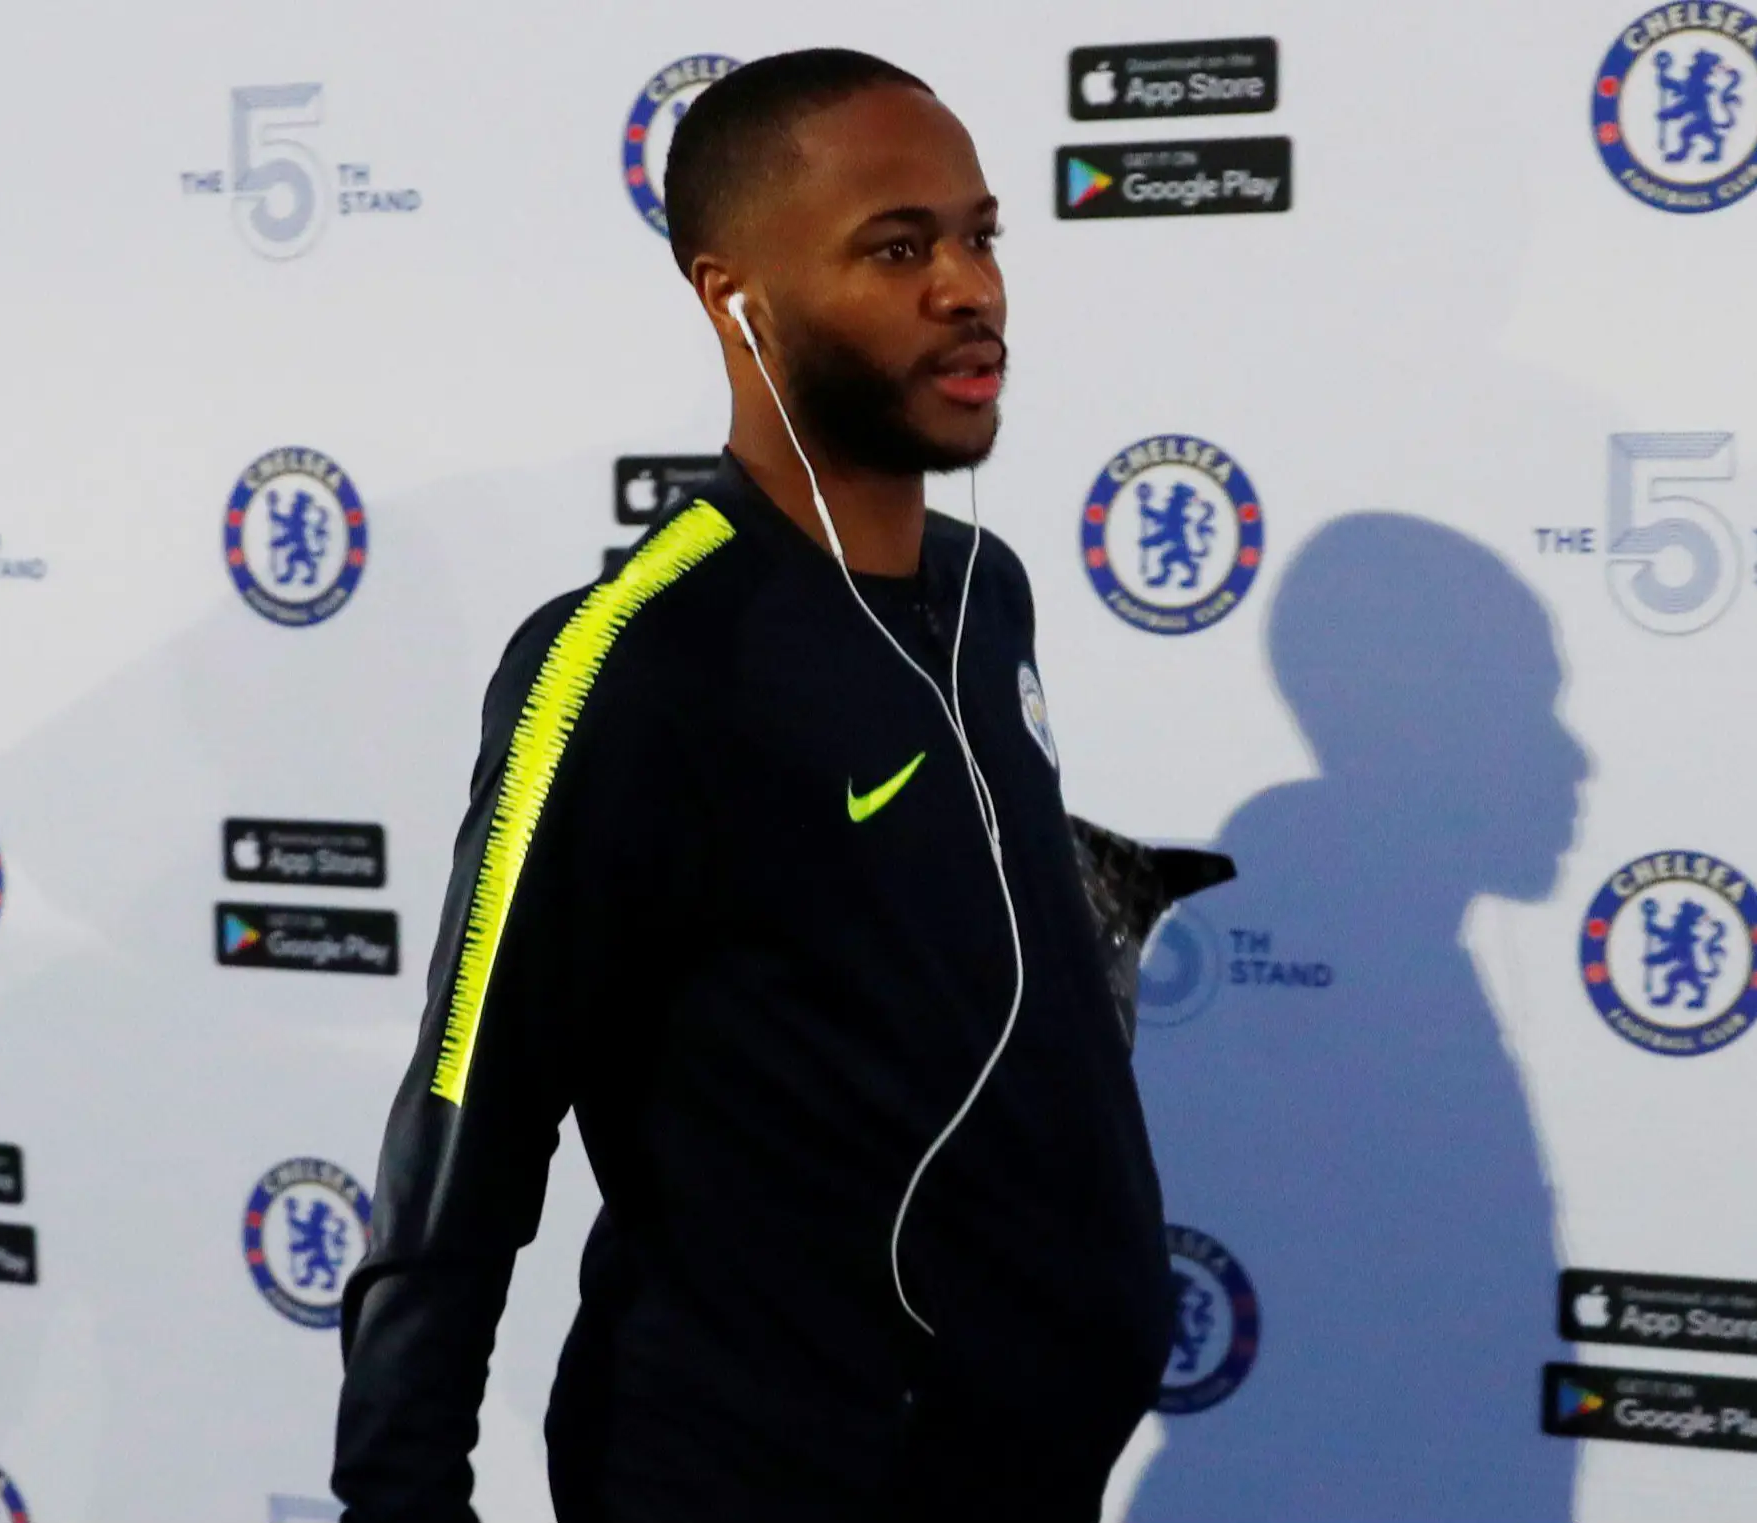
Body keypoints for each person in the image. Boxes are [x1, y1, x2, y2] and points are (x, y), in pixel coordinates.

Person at [331, 49, 1173, 1525]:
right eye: (897, 248)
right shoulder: (630, 661)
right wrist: (402, 1501)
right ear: (737, 297)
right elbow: (464, 1134)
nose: (969, 288)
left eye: (979, 236)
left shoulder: (991, 594)